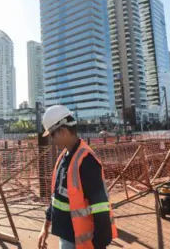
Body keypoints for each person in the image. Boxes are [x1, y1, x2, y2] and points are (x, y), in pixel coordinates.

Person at [37, 105, 117, 249]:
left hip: (83, 243)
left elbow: (101, 208)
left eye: (52, 136)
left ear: (62, 131)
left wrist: (99, 244)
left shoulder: (87, 161)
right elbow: (57, 198)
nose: (51, 141)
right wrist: (45, 226)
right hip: (67, 237)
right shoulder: (64, 158)